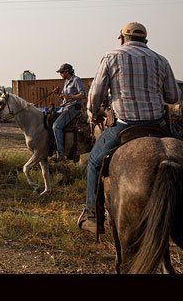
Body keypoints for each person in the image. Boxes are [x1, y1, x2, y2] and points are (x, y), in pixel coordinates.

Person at [78, 22, 181, 233]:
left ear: (122, 39)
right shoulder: (161, 60)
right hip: (159, 126)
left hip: (124, 126)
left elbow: (95, 97)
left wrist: (92, 111)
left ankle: (93, 217)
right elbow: (173, 96)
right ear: (146, 41)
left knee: (94, 163)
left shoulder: (111, 57)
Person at [52, 63, 87, 161]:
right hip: (65, 107)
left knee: (56, 126)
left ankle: (60, 153)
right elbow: (65, 97)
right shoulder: (66, 82)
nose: (60, 74)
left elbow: (83, 95)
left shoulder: (76, 80)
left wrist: (70, 97)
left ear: (67, 72)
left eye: (61, 72)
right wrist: (59, 93)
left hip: (73, 109)